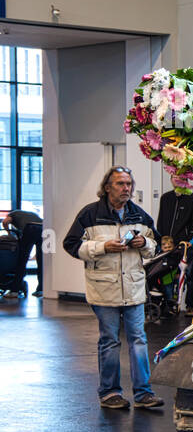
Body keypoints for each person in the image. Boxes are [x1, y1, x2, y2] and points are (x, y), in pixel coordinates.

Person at [62, 166, 164, 410]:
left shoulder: (139, 215)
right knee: (110, 341)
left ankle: (143, 394)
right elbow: (71, 245)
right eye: (120, 184)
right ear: (107, 187)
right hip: (103, 290)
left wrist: (144, 243)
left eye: (128, 183)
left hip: (135, 289)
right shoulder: (89, 214)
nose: (126, 188)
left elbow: (157, 246)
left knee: (138, 340)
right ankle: (109, 393)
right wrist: (102, 247)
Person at [157, 179, 193, 309]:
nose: (178, 180)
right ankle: (167, 305)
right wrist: (161, 240)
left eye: (181, 177)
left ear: (186, 179)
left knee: (189, 276)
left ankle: (190, 306)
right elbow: (161, 220)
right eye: (175, 177)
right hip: (168, 246)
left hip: (185, 245)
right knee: (166, 275)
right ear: (170, 179)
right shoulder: (165, 198)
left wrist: (190, 240)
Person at [3, 209, 43, 297]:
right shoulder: (31, 213)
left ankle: (15, 291)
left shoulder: (12, 214)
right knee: (41, 261)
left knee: (22, 260)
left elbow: (5, 222)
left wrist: (9, 233)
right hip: (43, 228)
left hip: (30, 228)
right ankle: (41, 290)